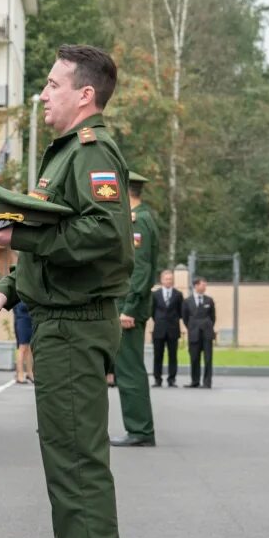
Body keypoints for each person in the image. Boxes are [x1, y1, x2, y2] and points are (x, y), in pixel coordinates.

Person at [0, 44, 132, 538]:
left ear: (84, 94)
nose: (43, 94)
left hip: (73, 325)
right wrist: (9, 286)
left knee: (75, 461)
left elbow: (101, 238)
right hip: (61, 319)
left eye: (53, 85)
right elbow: (52, 239)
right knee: (68, 456)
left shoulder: (92, 152)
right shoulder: (66, 154)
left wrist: (20, 240)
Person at [111, 172, 160, 447]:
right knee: (128, 367)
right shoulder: (141, 218)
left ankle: (140, 430)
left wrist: (128, 308)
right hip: (130, 305)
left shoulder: (137, 220)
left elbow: (140, 269)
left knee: (130, 369)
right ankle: (139, 429)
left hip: (131, 308)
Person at [151, 269, 183, 387]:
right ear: (161, 280)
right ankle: (157, 379)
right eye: (166, 279)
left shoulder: (178, 294)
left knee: (173, 356)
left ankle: (171, 379)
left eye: (170, 279)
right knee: (158, 355)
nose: (168, 281)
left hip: (173, 329)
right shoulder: (155, 294)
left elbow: (180, 312)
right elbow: (152, 311)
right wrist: (160, 321)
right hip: (159, 329)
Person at [183, 277, 216, 388]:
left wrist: (207, 327)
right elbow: (185, 318)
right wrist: (192, 327)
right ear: (196, 286)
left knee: (208, 358)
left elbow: (213, 317)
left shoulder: (209, 300)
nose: (205, 287)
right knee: (194, 358)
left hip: (207, 333)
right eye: (203, 284)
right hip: (194, 333)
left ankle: (207, 382)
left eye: (205, 285)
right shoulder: (187, 301)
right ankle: (195, 381)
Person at [13, 302, 34, 384]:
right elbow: (21, 306)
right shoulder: (20, 290)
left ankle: (30, 373)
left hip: (29, 320)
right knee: (22, 347)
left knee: (29, 348)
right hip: (22, 320)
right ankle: (20, 375)